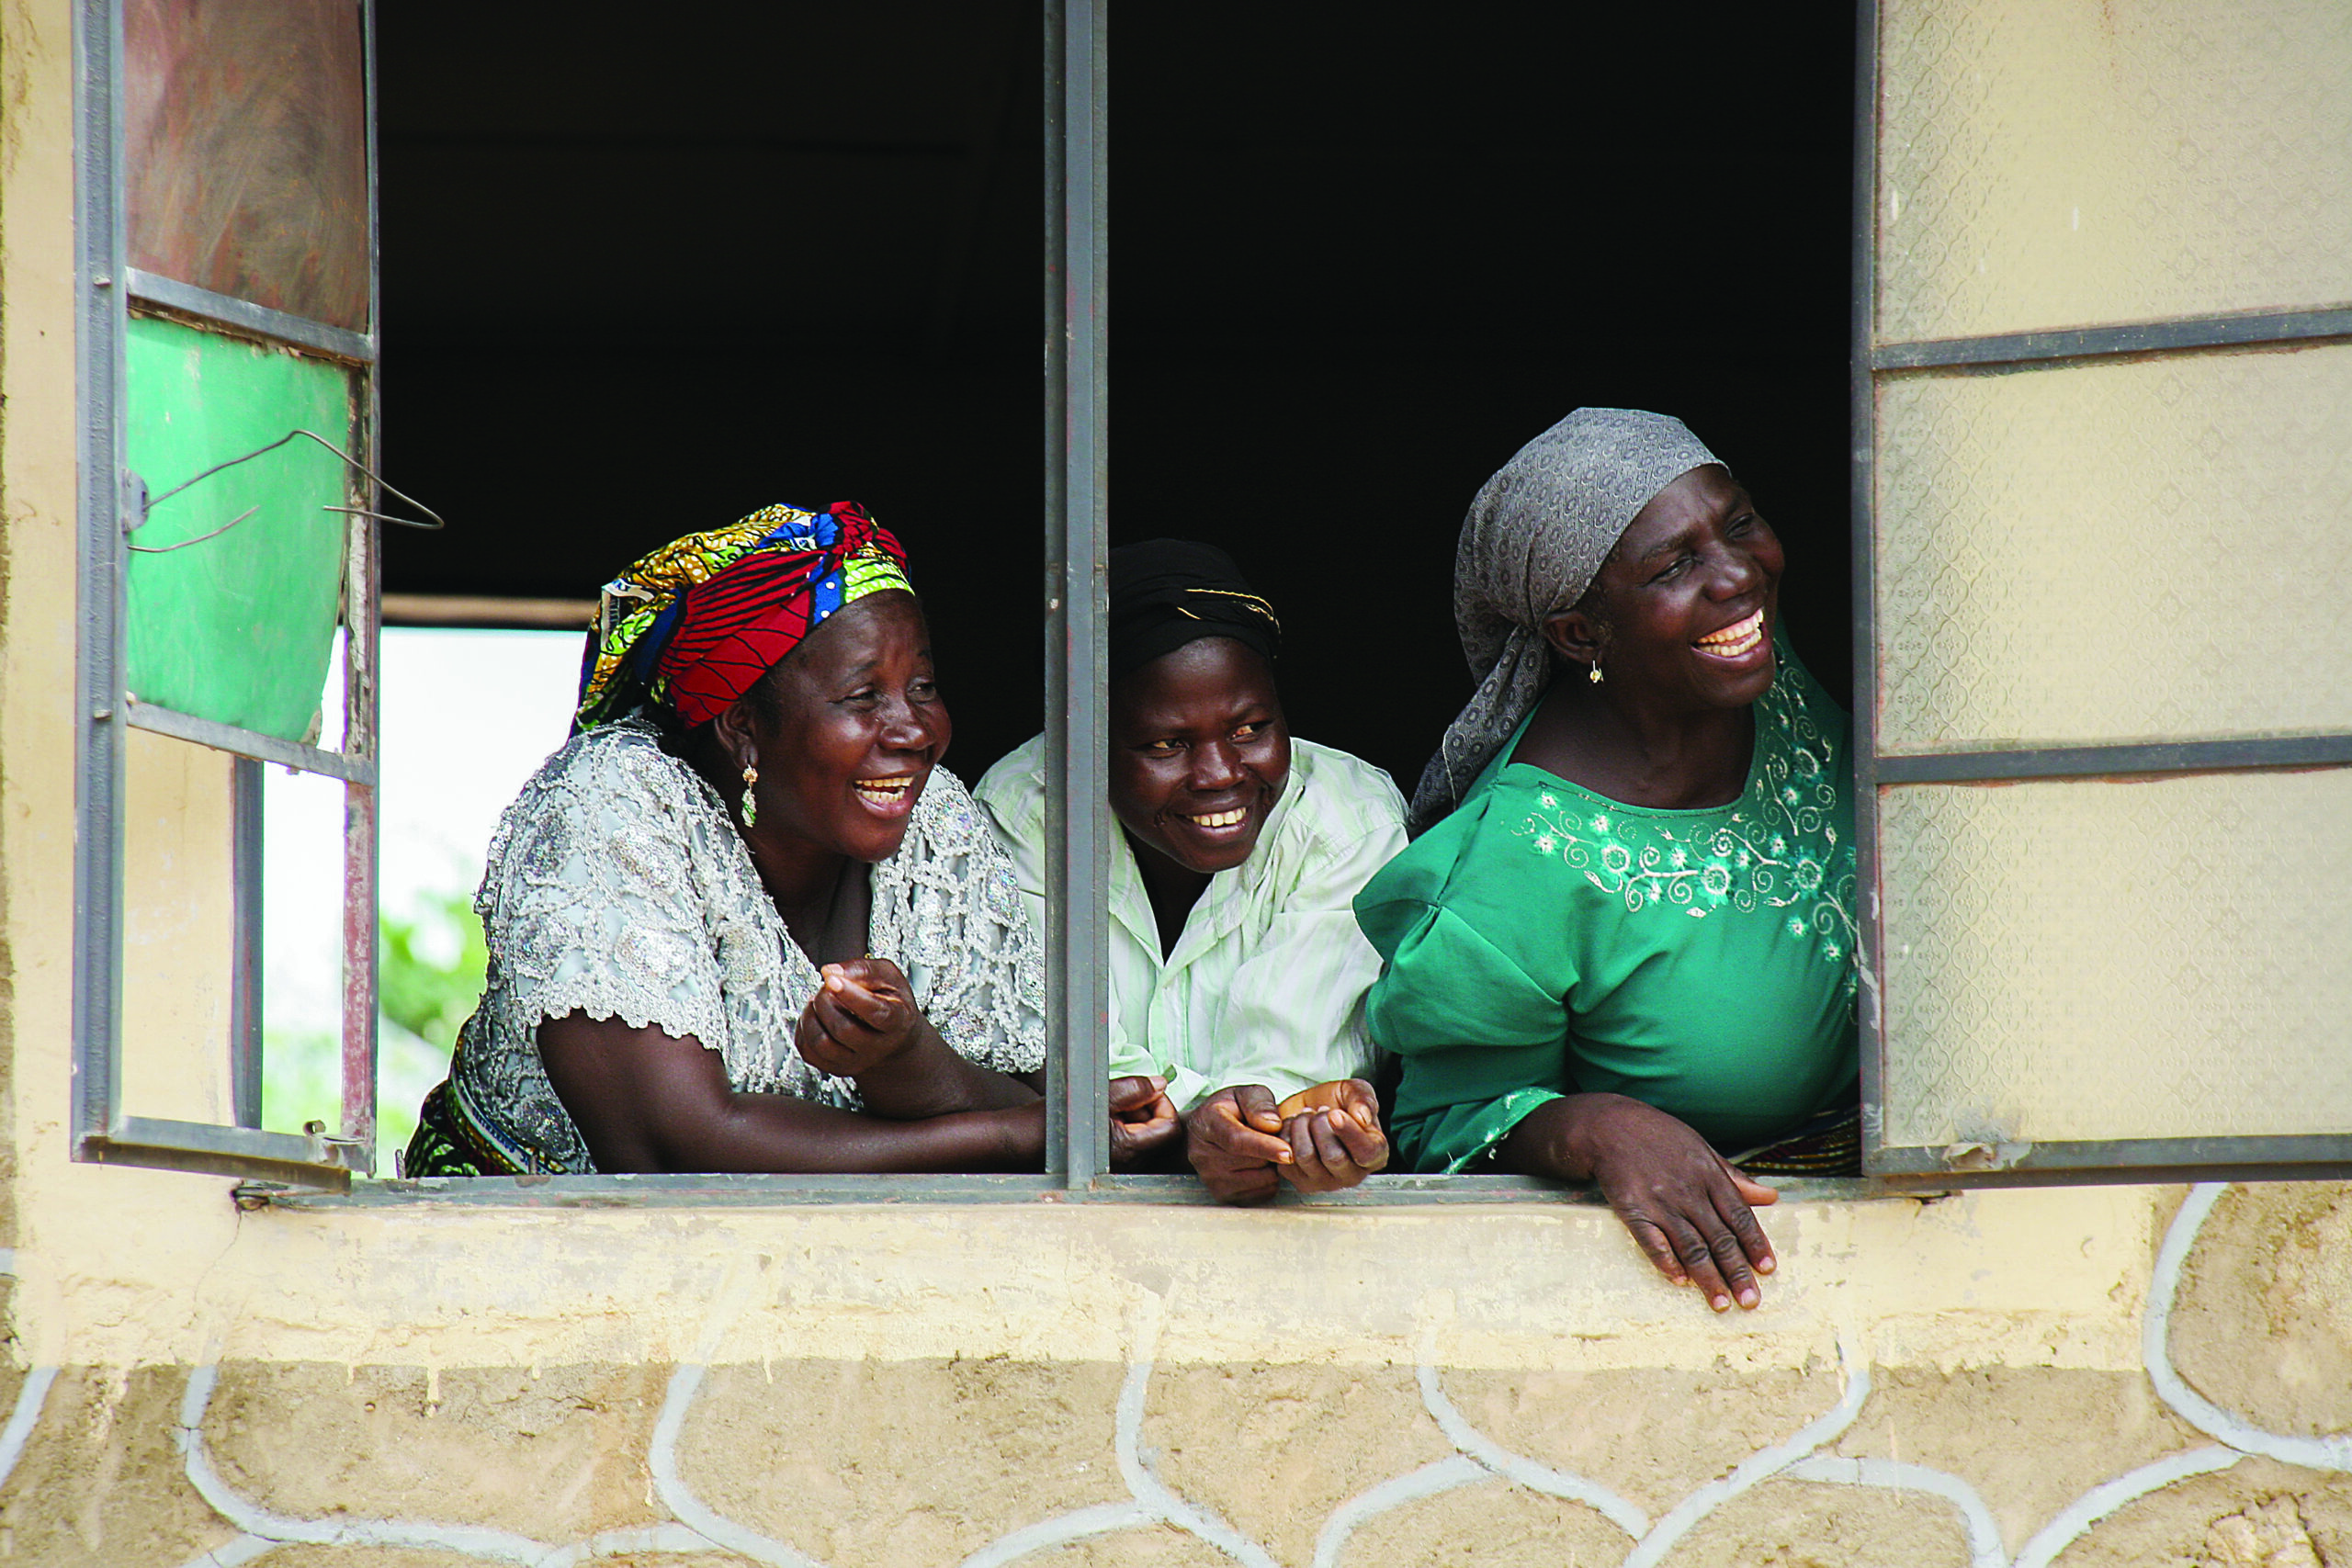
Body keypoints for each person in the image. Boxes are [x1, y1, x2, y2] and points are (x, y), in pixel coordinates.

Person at [403, 502, 1181, 1176]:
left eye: (923, 687)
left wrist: (908, 1059)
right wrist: (1022, 1136)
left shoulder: (930, 819)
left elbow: (1025, 1089)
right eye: (862, 696)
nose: (915, 730)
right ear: (743, 727)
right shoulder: (611, 808)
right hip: (530, 1265)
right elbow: (674, 1148)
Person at [1354, 409, 1858, 1311]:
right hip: (1741, 1275)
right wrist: (1600, 1130)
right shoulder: (1517, 863)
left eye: (1737, 522)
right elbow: (1437, 1125)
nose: (1739, 577)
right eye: (1674, 566)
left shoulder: (1757, 665)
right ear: (1581, 636)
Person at [976, 541, 1408, 1201]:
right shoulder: (1024, 813)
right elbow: (1065, 1065)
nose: (1219, 775)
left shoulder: (1349, 821)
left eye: (1249, 728)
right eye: (1166, 744)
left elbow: (1298, 1064)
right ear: (1085, 736)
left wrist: (1242, 1124)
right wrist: (1214, 1124)